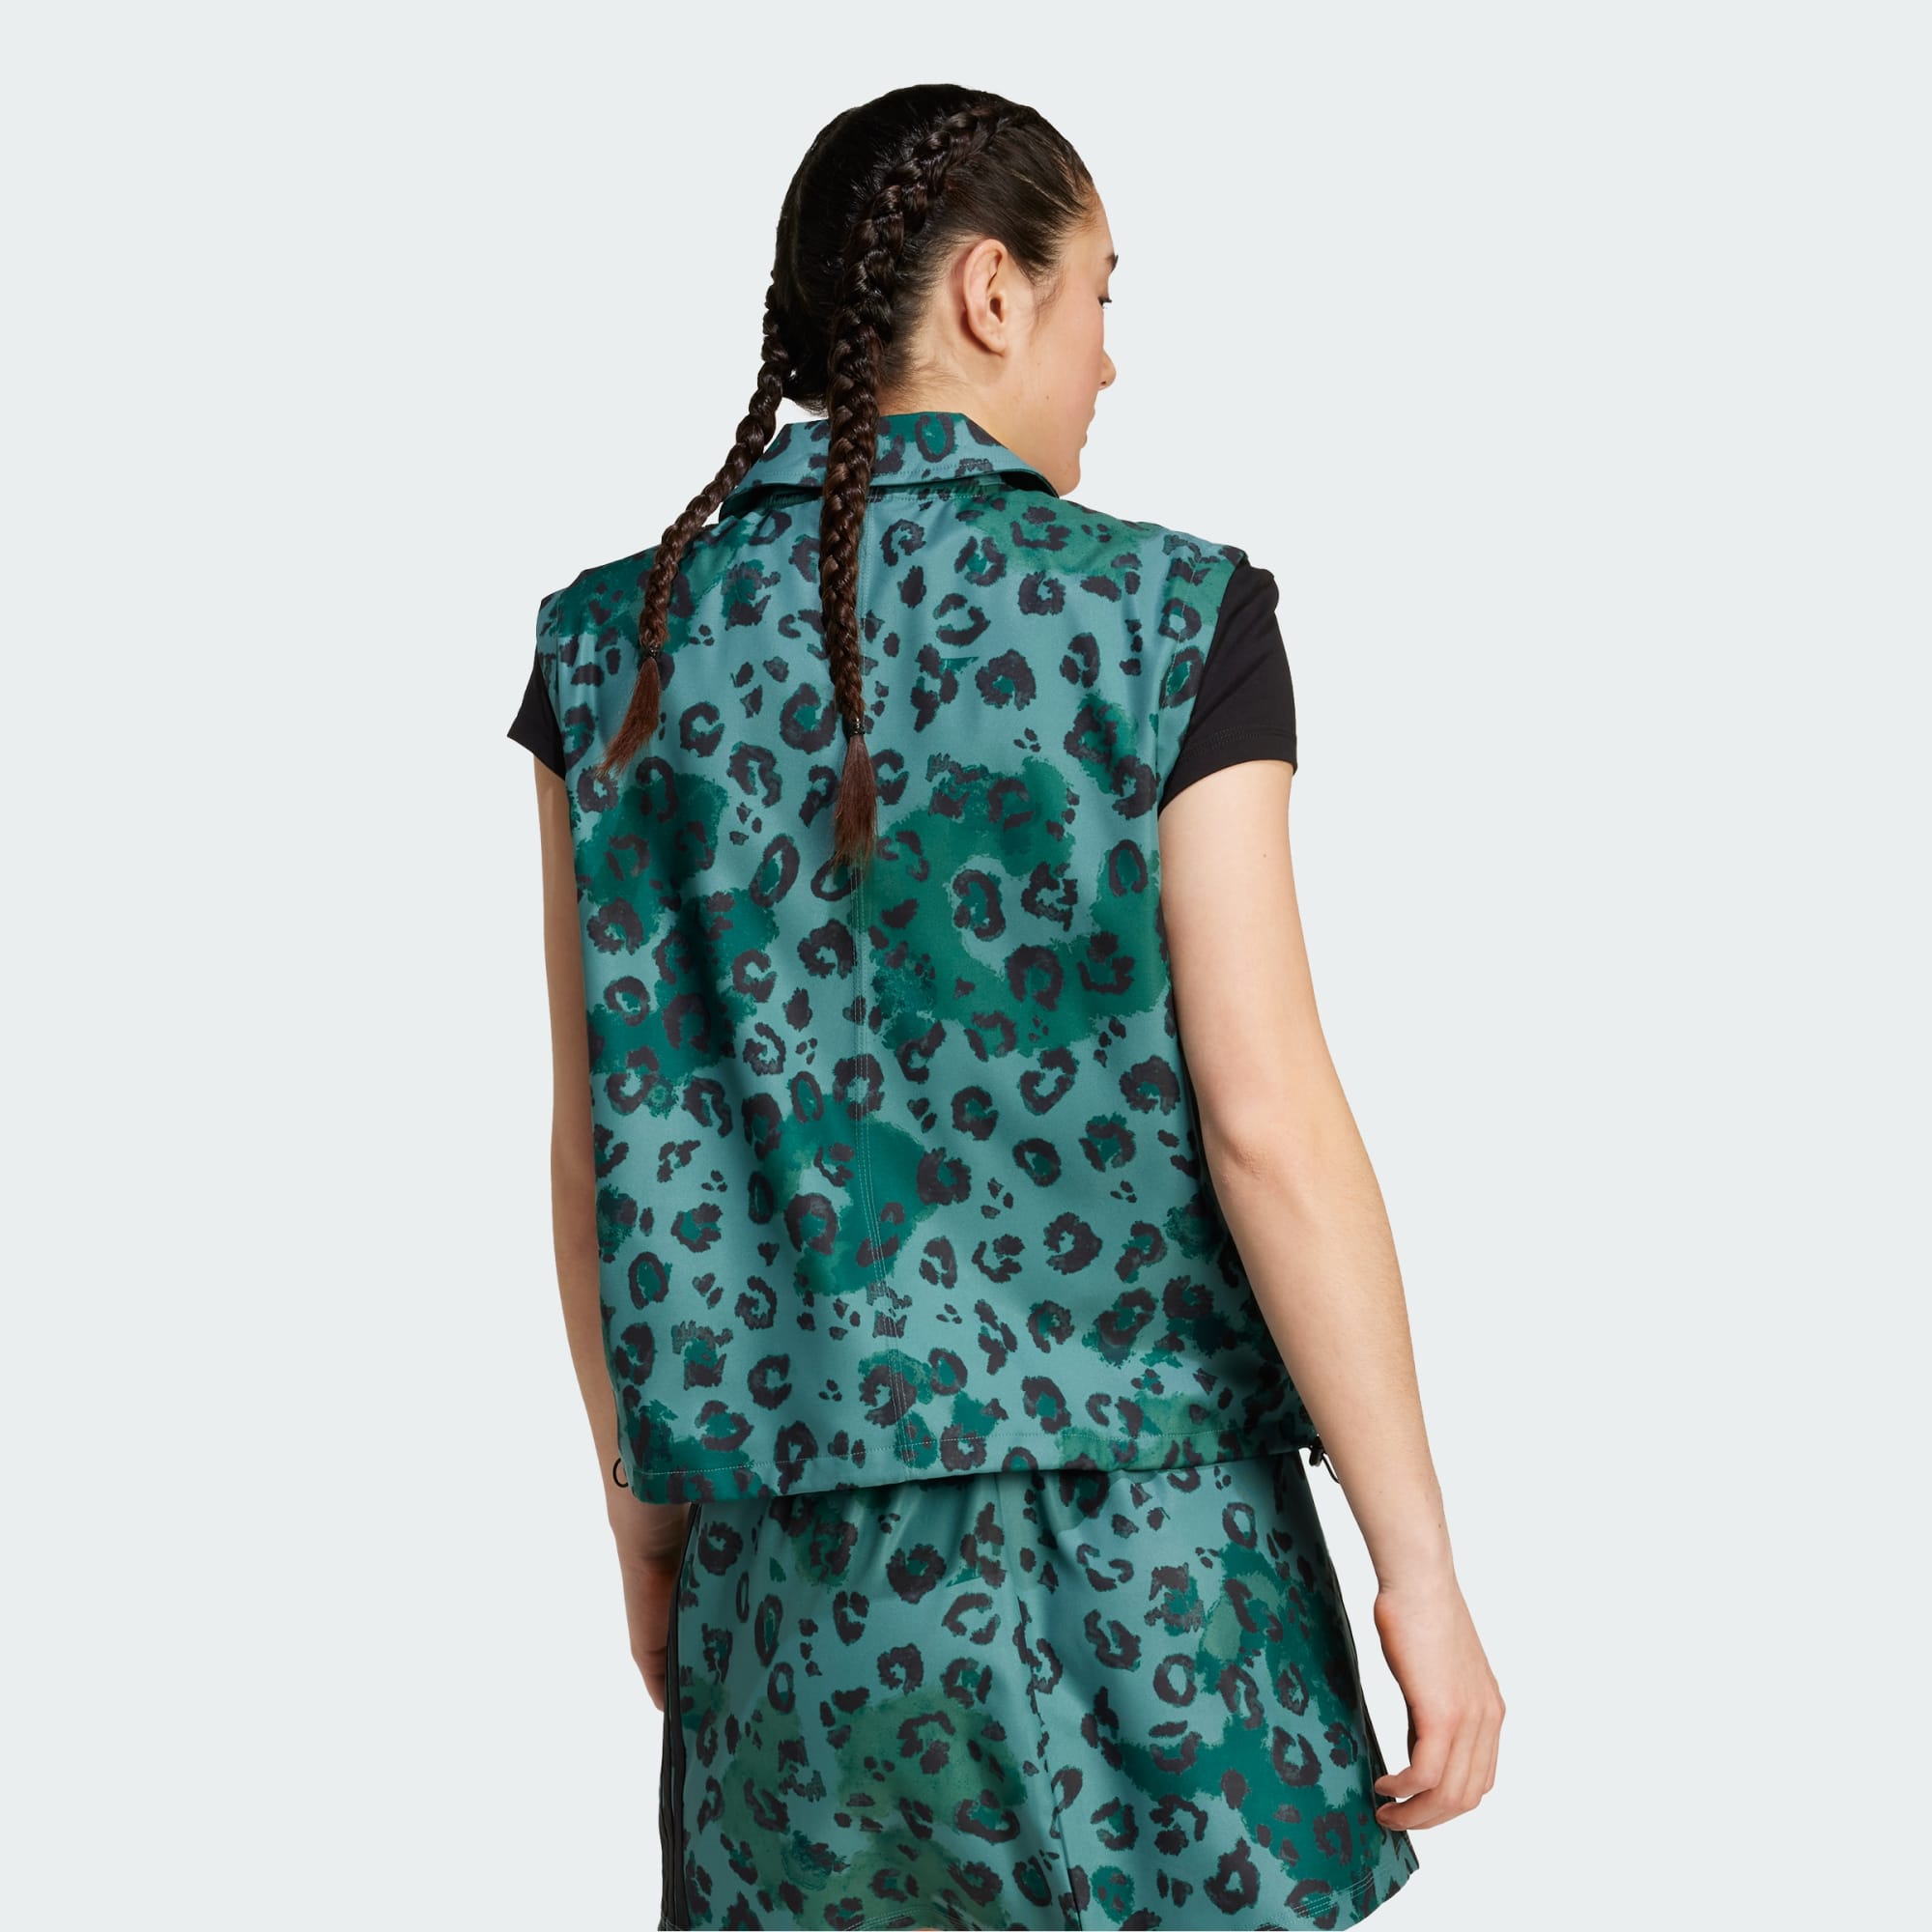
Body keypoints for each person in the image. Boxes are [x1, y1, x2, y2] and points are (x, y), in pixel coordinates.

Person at [507, 83, 1502, 1932]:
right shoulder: (1170, 620)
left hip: (785, 1597)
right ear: (990, 292)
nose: (1110, 360)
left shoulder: (608, 649)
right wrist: (1418, 1569)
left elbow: (599, 1154)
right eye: (1100, 296)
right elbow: (1267, 1126)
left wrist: (650, 1521)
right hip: (1157, 1584)